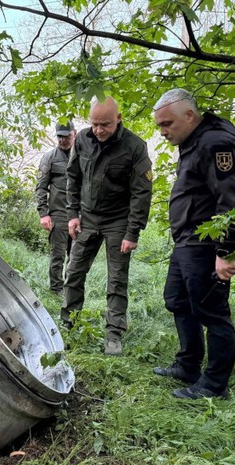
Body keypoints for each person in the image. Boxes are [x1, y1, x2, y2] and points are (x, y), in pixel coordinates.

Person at [152, 88, 235, 400]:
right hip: (187, 242)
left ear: (189, 115)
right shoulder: (192, 142)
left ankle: (213, 386)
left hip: (207, 245)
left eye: (167, 124)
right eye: (160, 126)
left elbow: (230, 200)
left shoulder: (215, 142)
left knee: (212, 312)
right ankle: (188, 365)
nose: (163, 131)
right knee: (177, 300)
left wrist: (226, 252)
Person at [61, 97, 153, 356]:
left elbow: (141, 192)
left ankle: (113, 335)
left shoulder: (134, 147)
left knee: (116, 280)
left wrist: (132, 231)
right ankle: (69, 325)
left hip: (118, 222)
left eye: (106, 125)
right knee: (74, 272)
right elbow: (73, 177)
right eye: (95, 124)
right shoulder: (81, 140)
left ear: (119, 119)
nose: (99, 130)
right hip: (87, 219)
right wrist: (72, 214)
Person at [36, 120, 76, 294]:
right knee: (57, 255)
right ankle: (56, 289)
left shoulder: (83, 156)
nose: (62, 140)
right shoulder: (49, 158)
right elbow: (41, 188)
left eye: (66, 136)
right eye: (59, 136)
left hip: (79, 215)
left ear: (74, 134)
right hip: (58, 215)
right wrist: (43, 214)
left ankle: (72, 288)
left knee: (76, 257)